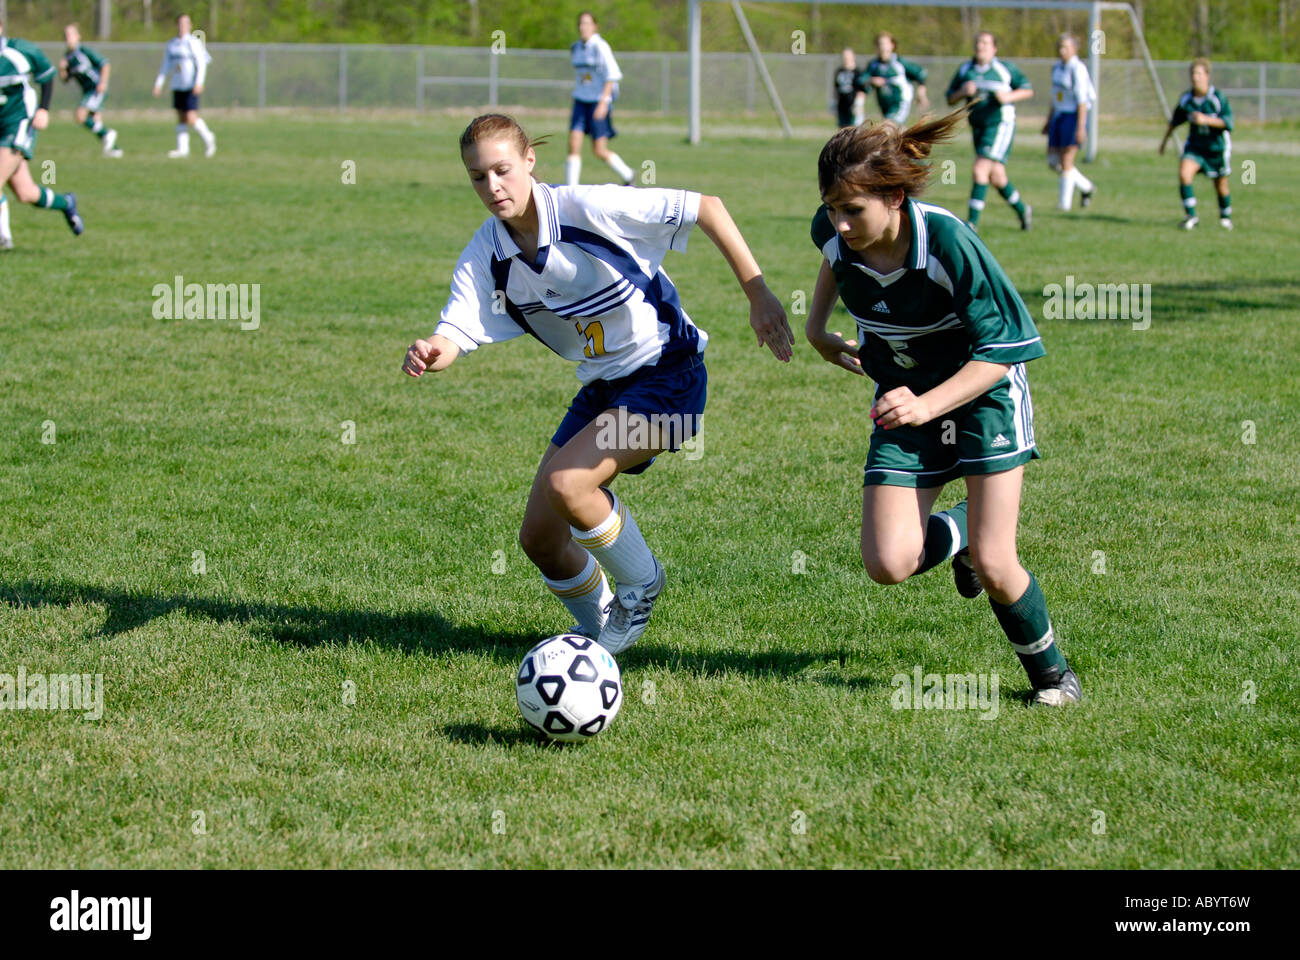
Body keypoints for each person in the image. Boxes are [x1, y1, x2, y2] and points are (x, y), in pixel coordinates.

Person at [403, 114, 792, 655]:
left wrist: (759, 294)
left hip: (668, 374)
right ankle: (601, 637)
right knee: (540, 538)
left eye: (502, 170)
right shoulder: (489, 252)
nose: (492, 187)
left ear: (530, 162)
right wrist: (431, 350)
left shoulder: (587, 208)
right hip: (603, 390)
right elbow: (456, 330)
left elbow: (706, 206)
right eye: (477, 177)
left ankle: (641, 587)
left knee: (570, 485)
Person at [803, 114, 1081, 706]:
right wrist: (817, 327)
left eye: (853, 209)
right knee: (887, 562)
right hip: (906, 401)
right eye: (832, 208)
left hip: (981, 399)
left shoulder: (948, 242)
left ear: (895, 197)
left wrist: (926, 406)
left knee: (998, 562)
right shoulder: (836, 230)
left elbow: (1003, 354)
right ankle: (957, 534)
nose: (840, 223)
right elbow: (832, 254)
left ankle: (1054, 678)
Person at [0, 18, 85, 251]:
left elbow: (46, 75)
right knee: (26, 193)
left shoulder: (18, 51)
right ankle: (66, 202)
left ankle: (3, 238)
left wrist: (44, 110)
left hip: (19, 123)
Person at [945, 31, 1033, 231]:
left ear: (994, 48)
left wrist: (1007, 97)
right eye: (978, 42)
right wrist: (962, 92)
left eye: (985, 43)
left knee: (980, 169)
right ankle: (1022, 209)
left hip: (1000, 124)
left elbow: (1028, 89)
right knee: (996, 177)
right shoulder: (966, 70)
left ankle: (971, 224)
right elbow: (950, 98)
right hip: (978, 127)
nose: (981, 46)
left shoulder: (1004, 69)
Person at [1160, 58, 1234, 230]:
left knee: (1220, 185)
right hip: (1195, 147)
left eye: (1199, 73)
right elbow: (1175, 121)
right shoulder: (1187, 99)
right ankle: (1191, 216)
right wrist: (1164, 142)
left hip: (1216, 148)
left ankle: (1225, 217)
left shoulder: (1217, 98)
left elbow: (1228, 123)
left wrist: (1206, 120)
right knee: (1184, 174)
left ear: (1207, 76)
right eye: (1193, 73)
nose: (1195, 77)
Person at [565, 11, 634, 187]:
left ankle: (628, 174)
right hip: (580, 101)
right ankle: (571, 190)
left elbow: (613, 75)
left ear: (595, 26)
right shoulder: (576, 48)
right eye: (580, 23)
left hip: (598, 102)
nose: (583, 27)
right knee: (573, 145)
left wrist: (603, 103)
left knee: (599, 150)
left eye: (587, 23)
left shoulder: (600, 47)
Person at [152, 13, 215, 158]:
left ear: (190, 25)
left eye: (185, 23)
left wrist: (199, 82)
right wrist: (159, 83)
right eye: (180, 23)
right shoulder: (172, 44)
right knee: (181, 116)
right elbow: (165, 65)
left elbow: (201, 64)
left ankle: (208, 137)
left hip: (191, 85)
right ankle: (182, 149)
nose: (182, 26)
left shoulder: (193, 42)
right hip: (177, 84)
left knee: (191, 116)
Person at [1045, 33, 1095, 211]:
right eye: (1060, 47)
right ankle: (1086, 187)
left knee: (1066, 160)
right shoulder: (1057, 67)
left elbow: (1082, 101)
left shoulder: (1077, 69)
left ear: (1074, 49)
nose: (1061, 50)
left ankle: (1063, 205)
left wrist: (1081, 127)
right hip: (1059, 116)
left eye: (1065, 47)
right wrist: (1048, 120)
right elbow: (1055, 97)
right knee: (1053, 161)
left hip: (1073, 117)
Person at [59, 22, 122, 157]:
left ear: (78, 36)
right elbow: (65, 80)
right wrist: (62, 69)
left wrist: (103, 82)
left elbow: (105, 64)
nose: (68, 38)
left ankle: (108, 134)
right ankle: (114, 149)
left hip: (96, 88)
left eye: (70, 34)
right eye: (65, 35)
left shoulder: (84, 51)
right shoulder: (67, 58)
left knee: (80, 115)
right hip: (87, 91)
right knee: (95, 121)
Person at [863, 32, 928, 125]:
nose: (883, 47)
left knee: (887, 126)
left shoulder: (899, 63)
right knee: (896, 132)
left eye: (885, 44)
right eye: (880, 44)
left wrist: (921, 93)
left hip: (900, 102)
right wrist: (872, 80)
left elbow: (921, 73)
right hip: (885, 105)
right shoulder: (873, 65)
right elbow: (862, 79)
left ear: (892, 45)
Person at [832, 48, 867, 128]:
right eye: (844, 56)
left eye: (848, 56)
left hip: (853, 106)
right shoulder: (839, 71)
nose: (846, 58)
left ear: (853, 56)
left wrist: (859, 104)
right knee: (843, 132)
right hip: (842, 106)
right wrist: (833, 102)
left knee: (855, 132)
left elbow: (862, 90)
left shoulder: (858, 72)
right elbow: (836, 88)